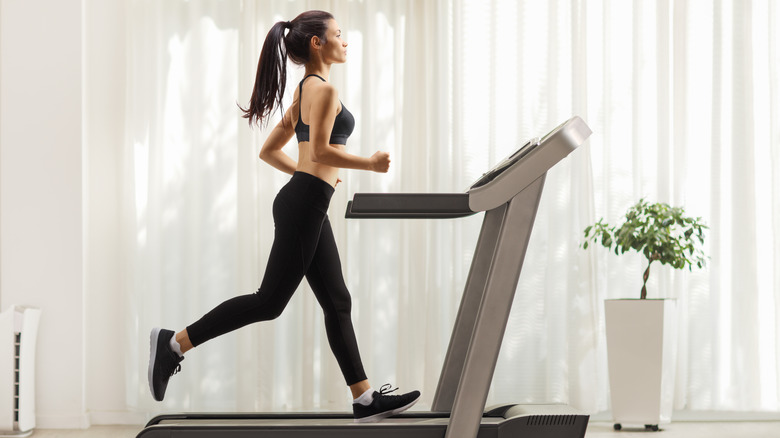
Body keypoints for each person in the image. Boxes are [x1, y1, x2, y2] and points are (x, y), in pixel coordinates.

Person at [147, 10, 420, 423]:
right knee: (269, 302)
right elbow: (322, 151)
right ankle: (173, 344)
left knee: (338, 301)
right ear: (317, 43)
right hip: (305, 204)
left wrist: (311, 175)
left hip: (307, 201)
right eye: (338, 34)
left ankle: (364, 400)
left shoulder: (304, 91)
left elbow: (271, 151)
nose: (345, 41)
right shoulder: (323, 90)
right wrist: (369, 163)